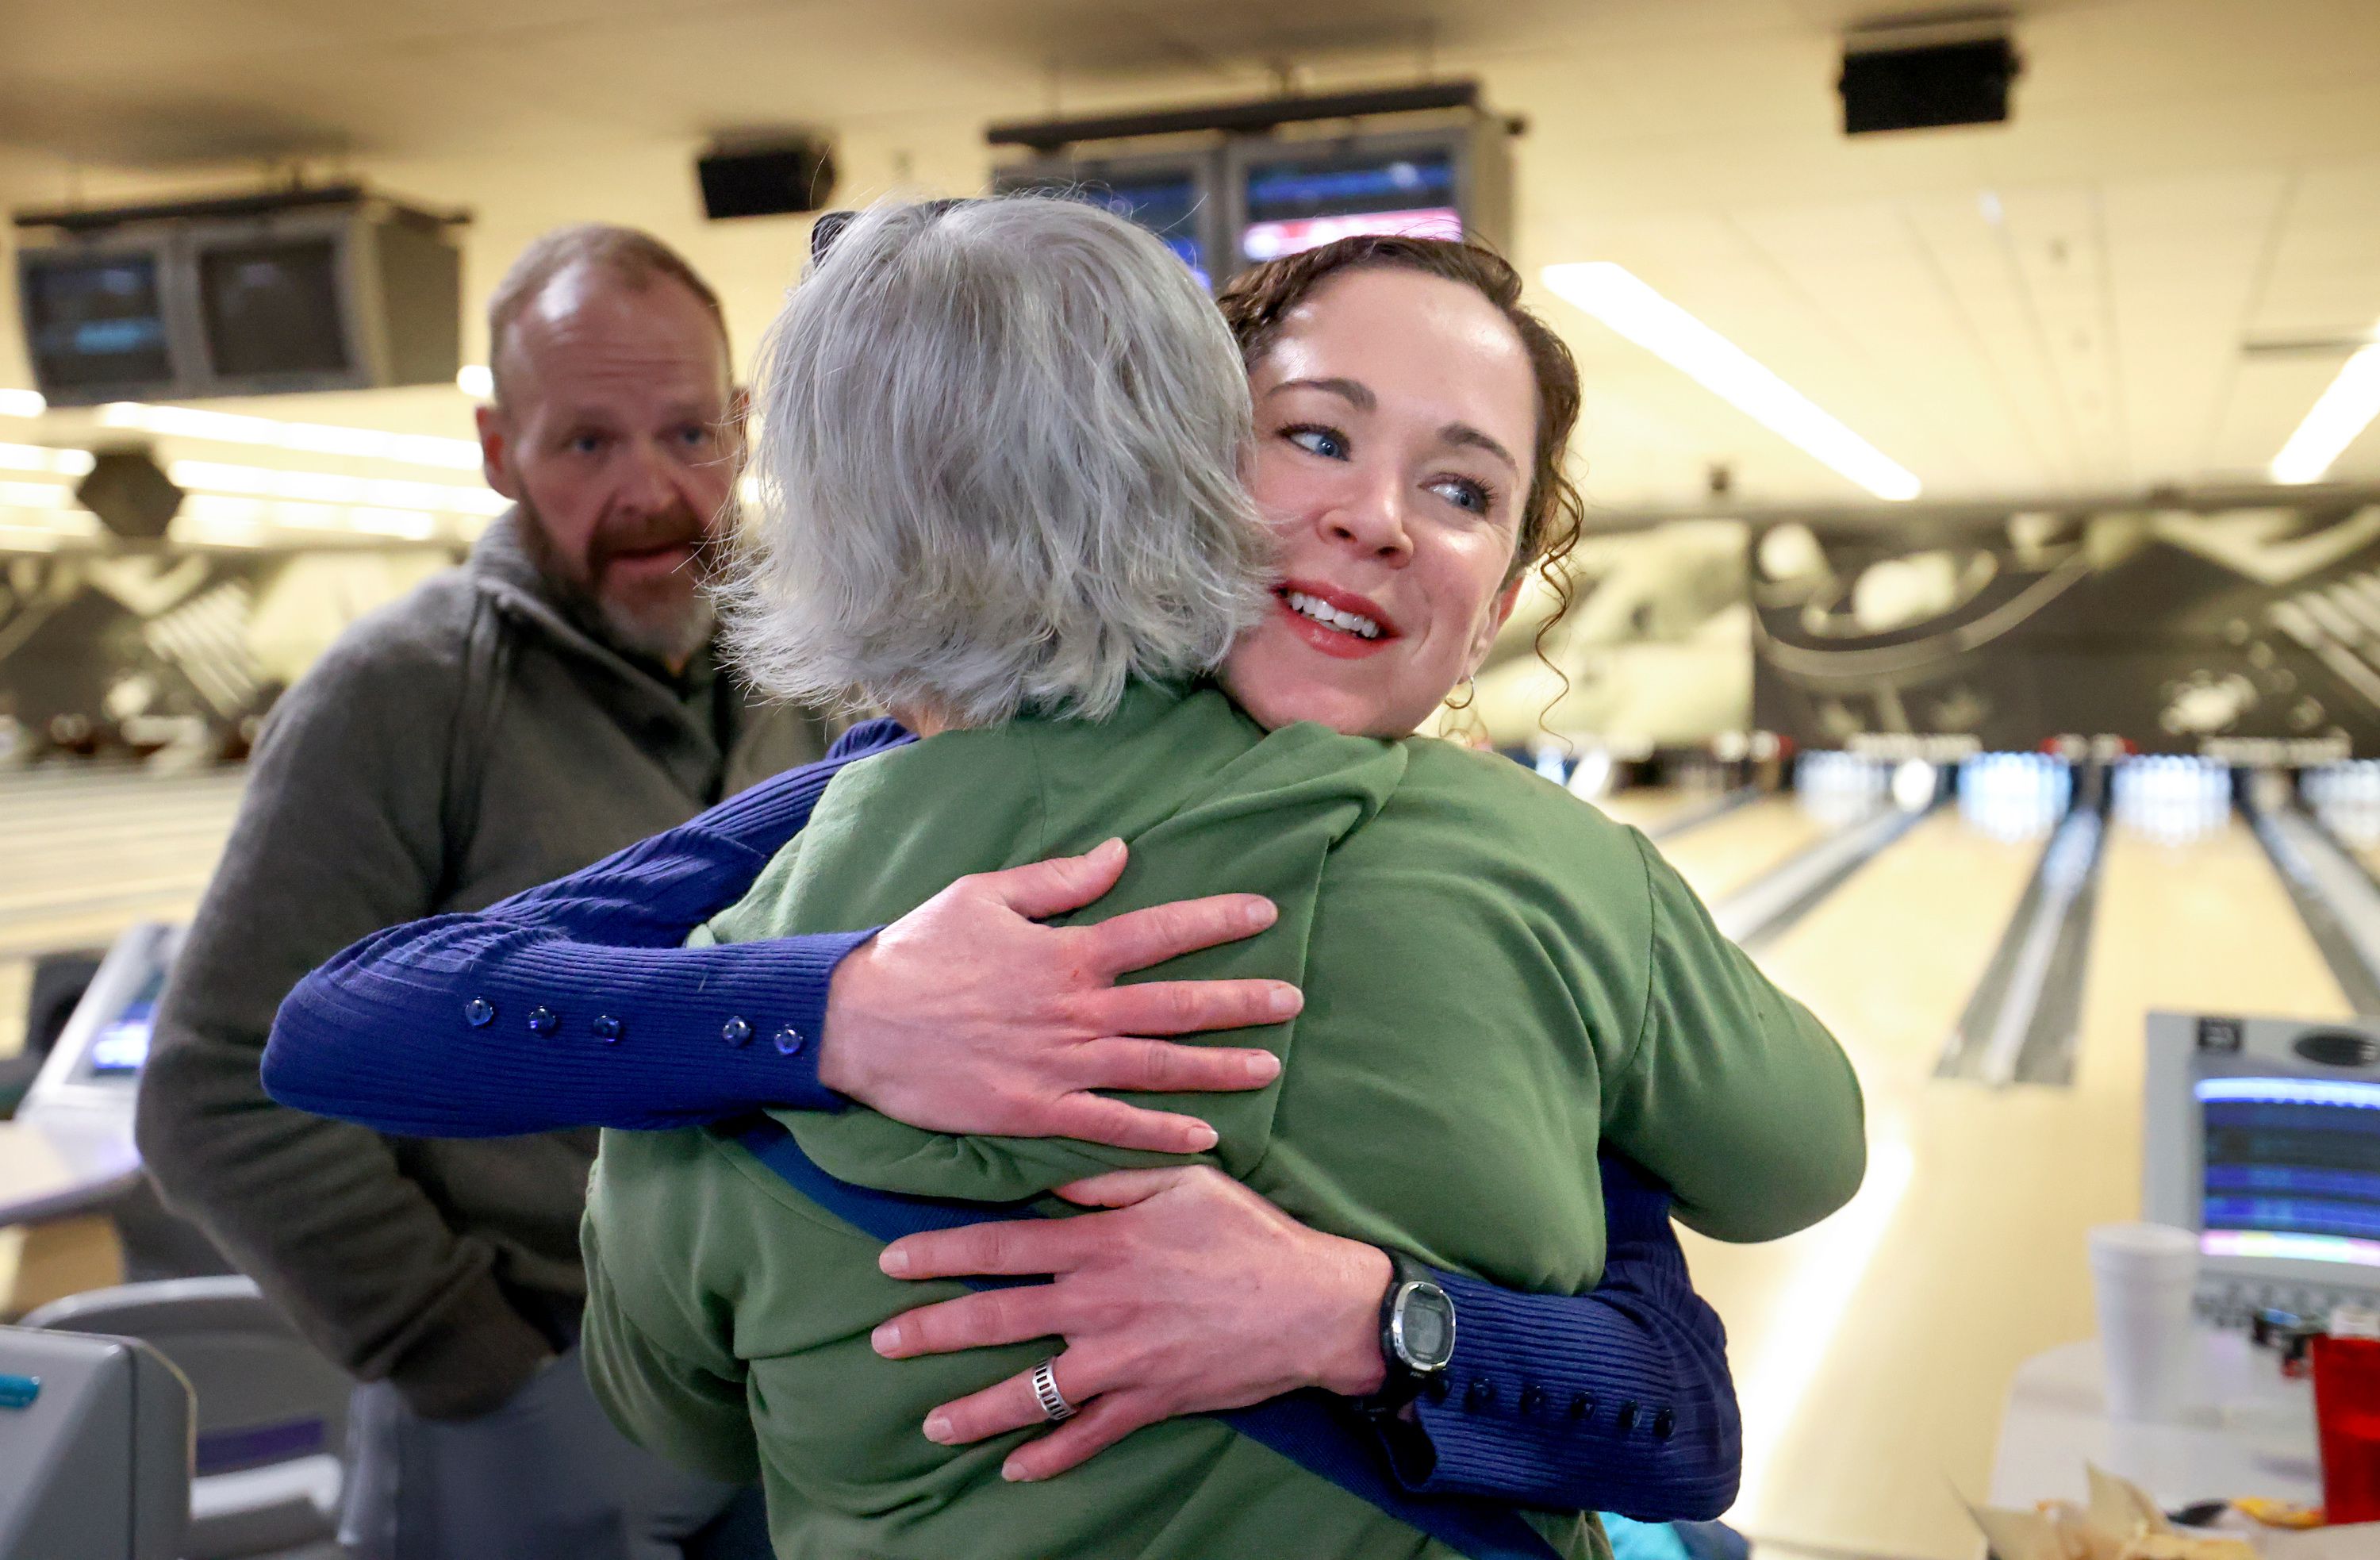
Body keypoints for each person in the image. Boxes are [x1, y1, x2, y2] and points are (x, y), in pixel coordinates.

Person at [266, 229, 1760, 1521]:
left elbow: (1685, 1420)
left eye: (1459, 485)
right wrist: (840, 1010)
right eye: (1312, 435)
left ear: (1498, 597)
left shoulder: (1516, 886)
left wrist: (1356, 1317)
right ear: (1167, 471)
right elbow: (348, 1022)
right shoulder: (881, 786)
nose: (1372, 515)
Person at [135, 221, 1289, 1560]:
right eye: (586, 443)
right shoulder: (400, 695)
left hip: (777, 1368)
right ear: (497, 447)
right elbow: (224, 1079)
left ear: (745, 426)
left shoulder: (825, 677)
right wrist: (468, 1350)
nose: (651, 489)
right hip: (538, 1392)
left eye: (688, 434)